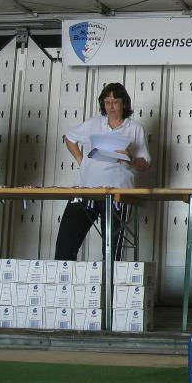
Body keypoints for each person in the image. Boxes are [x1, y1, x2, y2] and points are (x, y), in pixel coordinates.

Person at [54, 82, 150, 260]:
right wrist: (81, 160)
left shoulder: (135, 129)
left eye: (115, 102)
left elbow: (145, 164)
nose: (111, 106)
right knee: (64, 249)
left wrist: (130, 158)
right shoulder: (93, 123)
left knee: (112, 255)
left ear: (124, 103)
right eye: (107, 102)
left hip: (118, 194)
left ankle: (107, 279)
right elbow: (69, 138)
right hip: (85, 189)